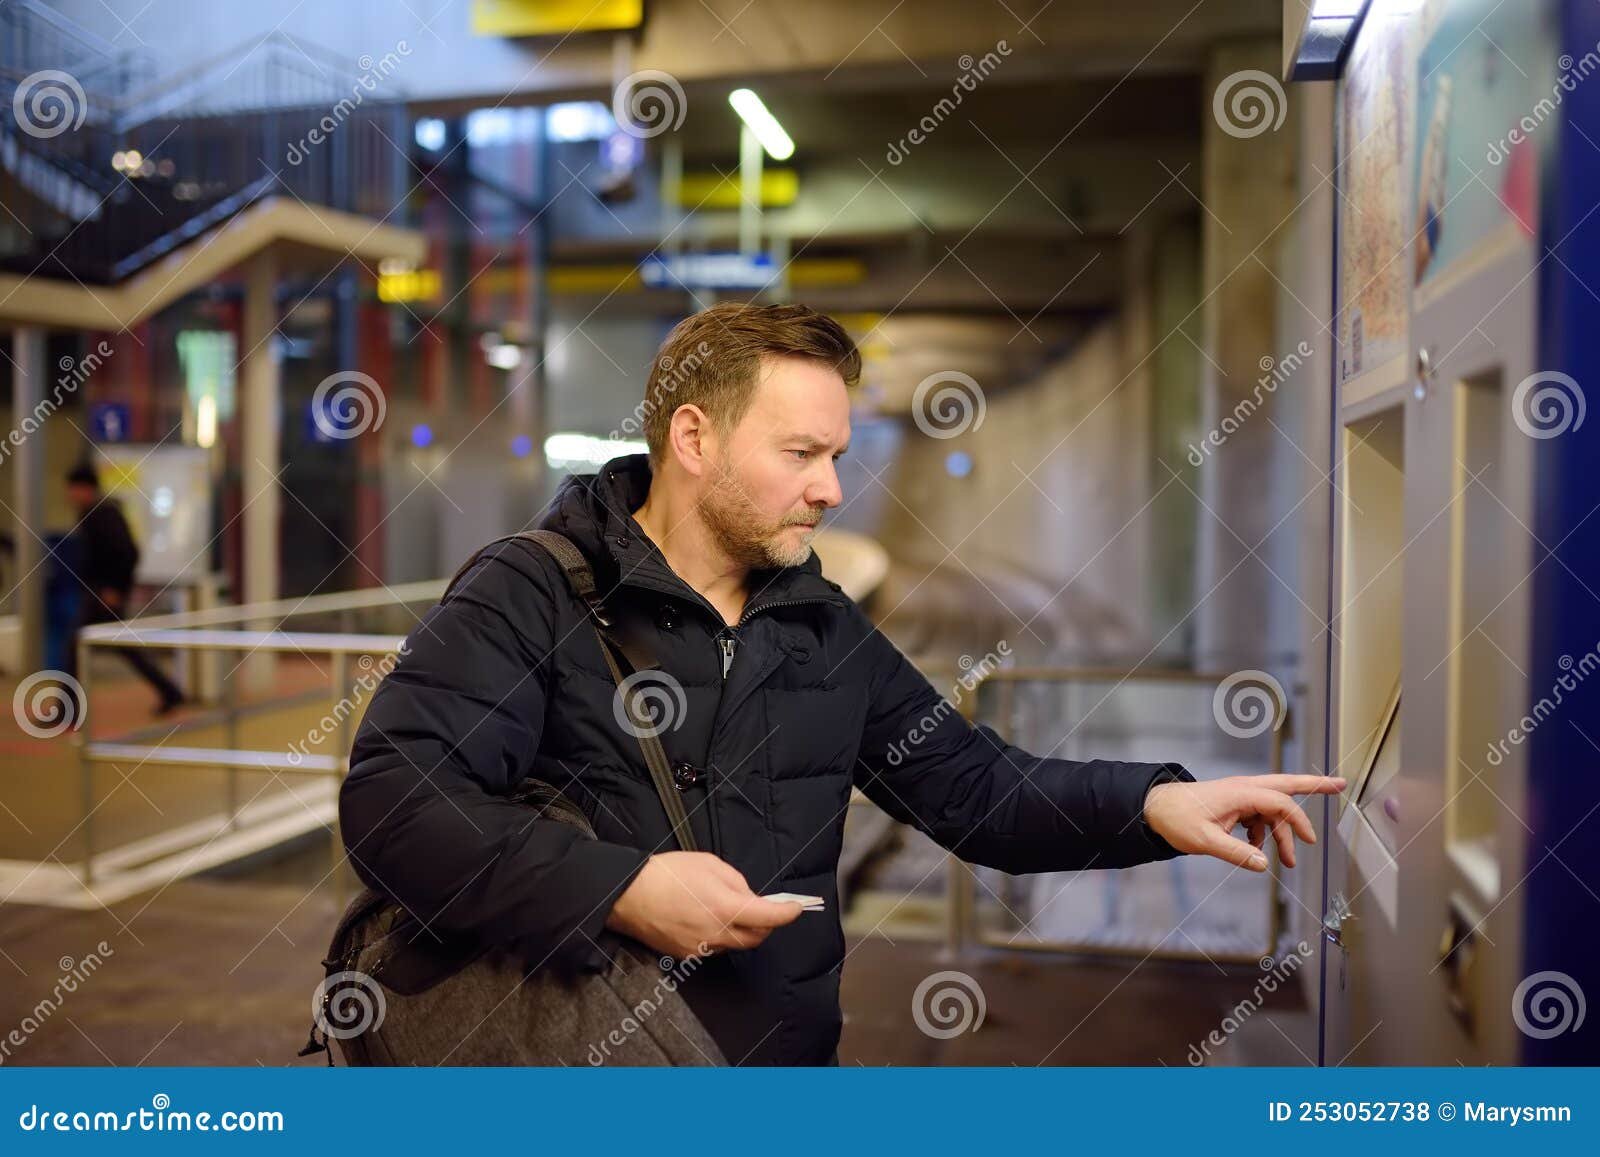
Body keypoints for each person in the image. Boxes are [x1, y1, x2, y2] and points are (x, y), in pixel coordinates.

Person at [339, 303, 1344, 1066]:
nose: (831, 488)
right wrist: (625, 890)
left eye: (836, 456)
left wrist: (1156, 801)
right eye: (801, 454)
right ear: (693, 439)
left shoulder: (819, 625)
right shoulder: (533, 589)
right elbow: (395, 805)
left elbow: (976, 789)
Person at [62, 463, 184, 717]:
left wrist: (114, 589)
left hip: (104, 595)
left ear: (84, 488)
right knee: (122, 648)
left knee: (76, 647)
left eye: (72, 489)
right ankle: (170, 692)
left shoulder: (102, 514)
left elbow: (127, 552)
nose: (69, 495)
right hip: (100, 593)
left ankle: (67, 711)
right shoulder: (93, 512)